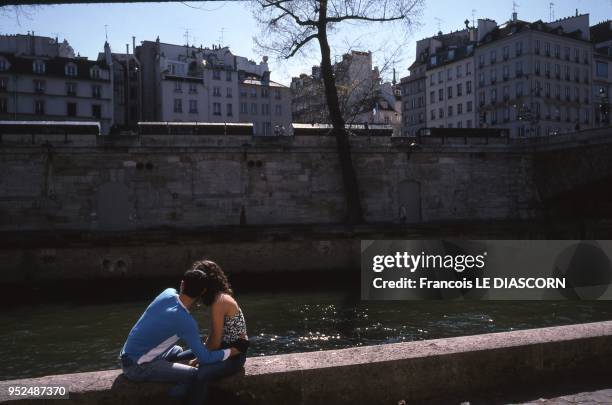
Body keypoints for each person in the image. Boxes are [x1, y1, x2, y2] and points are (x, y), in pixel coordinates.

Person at [119, 269, 242, 405]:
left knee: (177, 349)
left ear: (182, 284)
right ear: (202, 293)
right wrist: (231, 351)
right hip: (137, 367)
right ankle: (172, 398)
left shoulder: (167, 293)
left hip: (126, 355)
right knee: (195, 375)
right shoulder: (186, 322)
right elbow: (205, 358)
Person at [177, 260, 249, 377]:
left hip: (234, 355)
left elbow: (215, 343)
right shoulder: (216, 299)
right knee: (177, 358)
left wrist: (196, 360)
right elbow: (214, 335)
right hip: (220, 349)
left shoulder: (220, 301)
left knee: (200, 373)